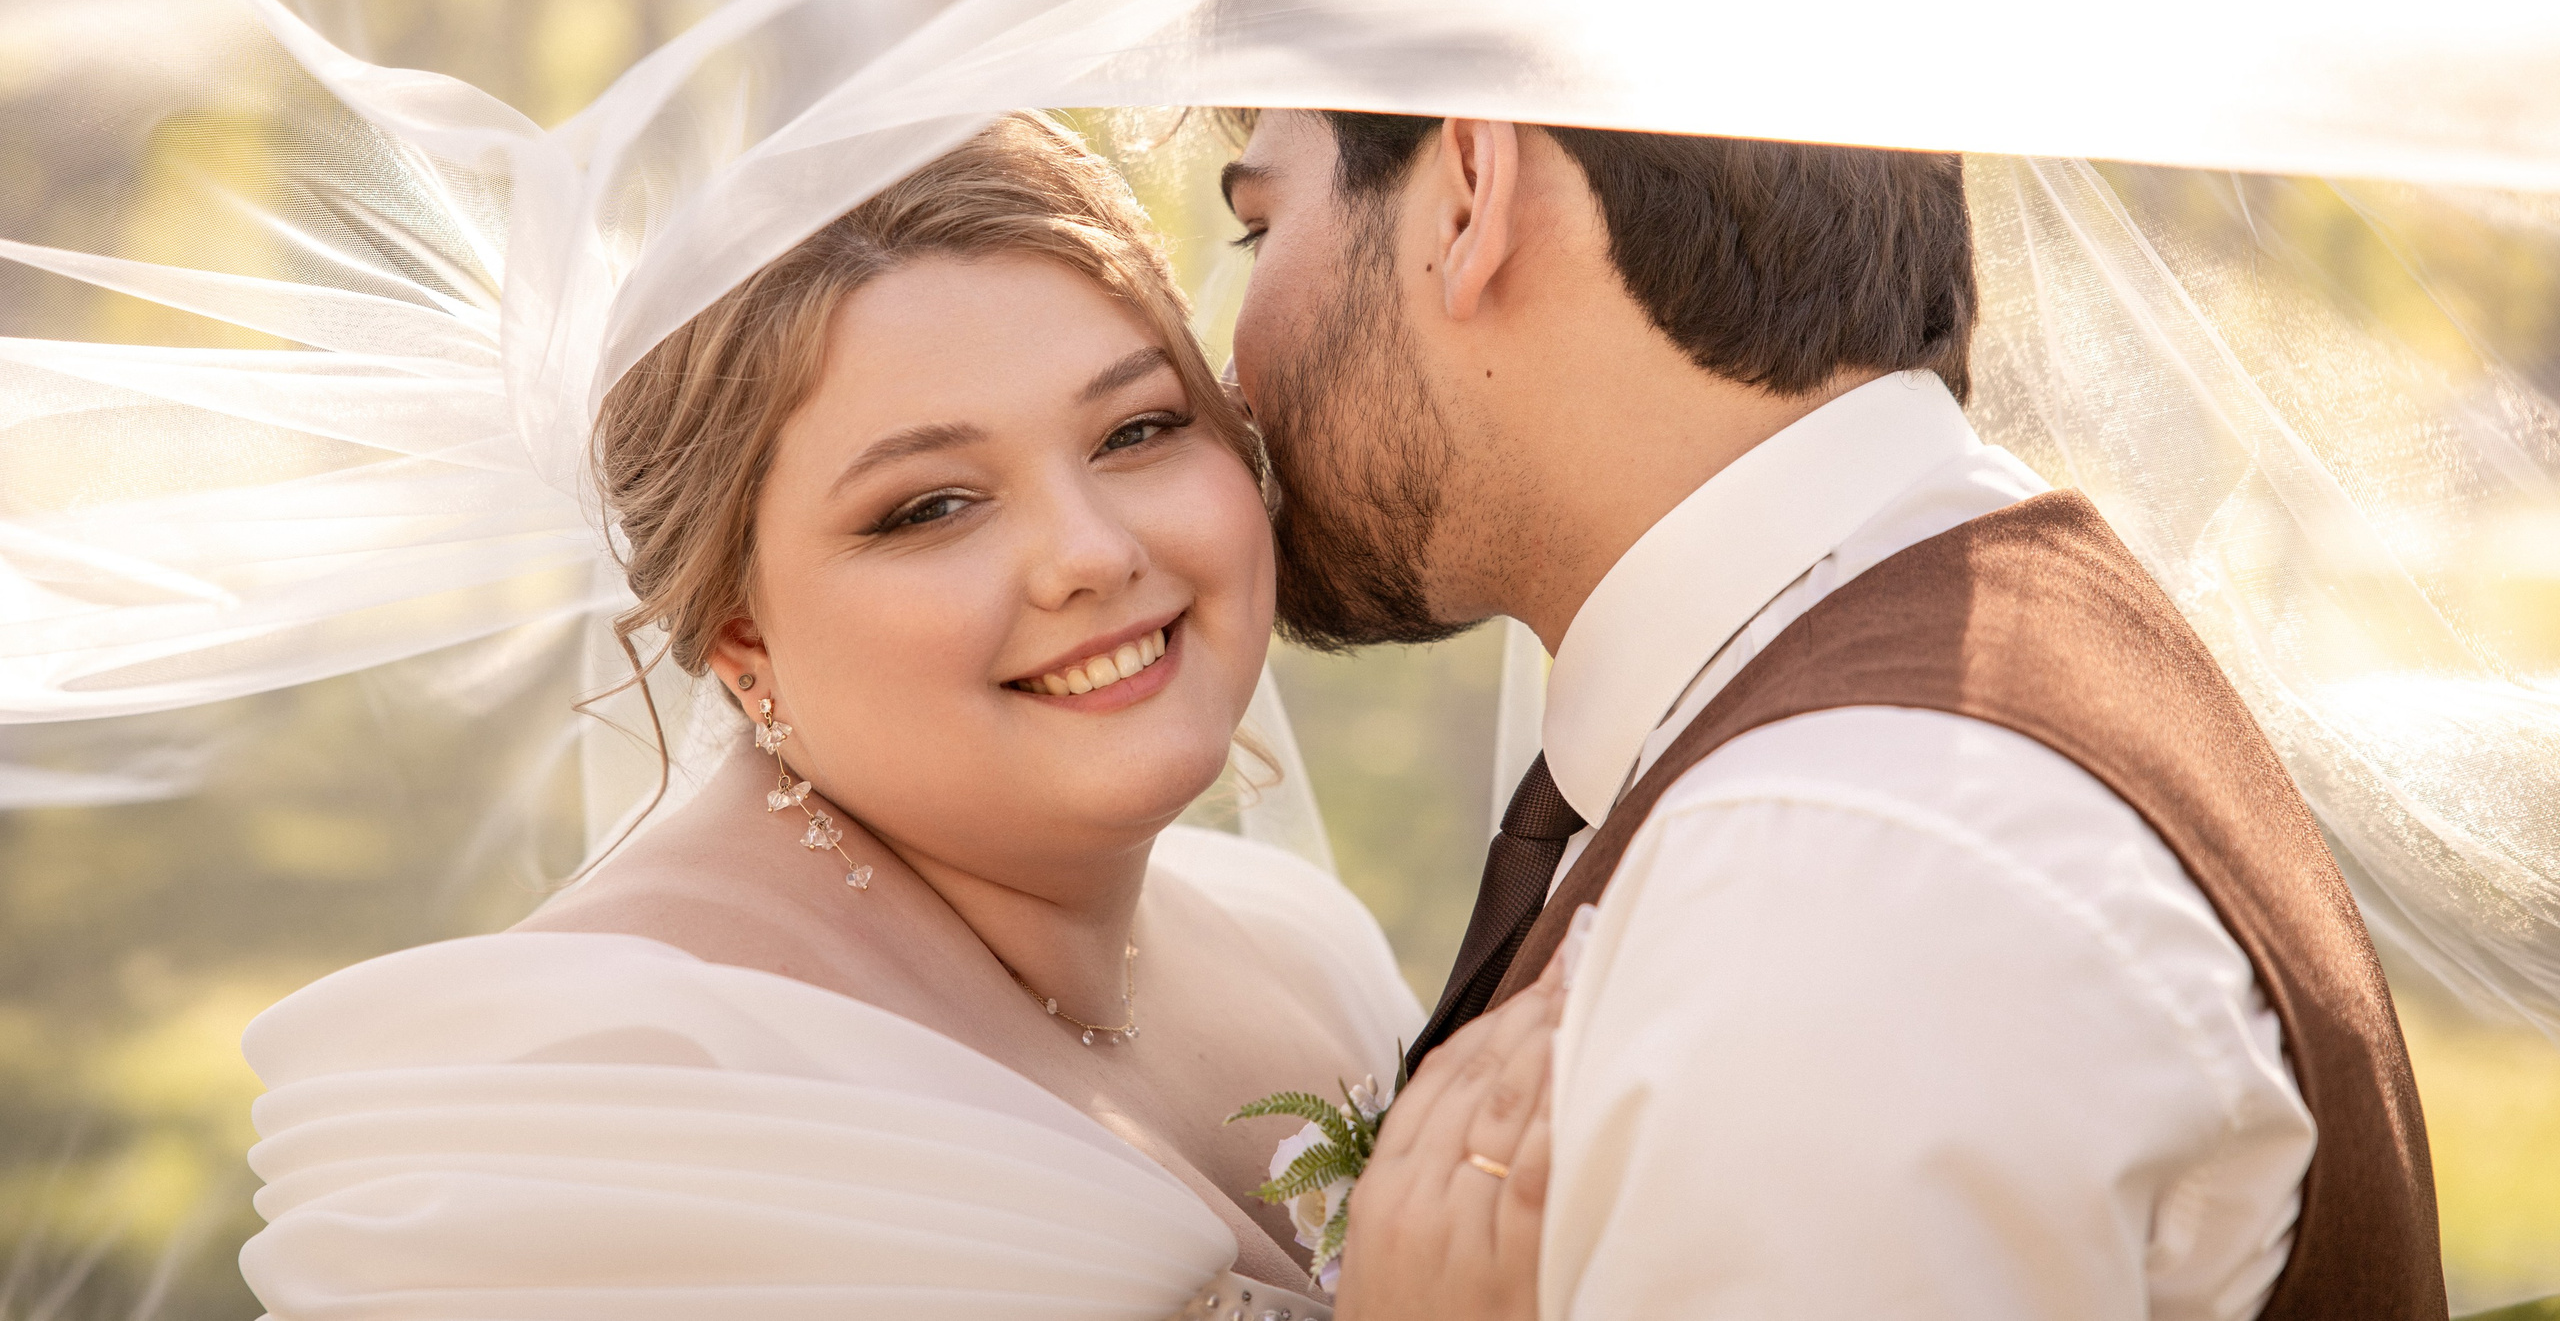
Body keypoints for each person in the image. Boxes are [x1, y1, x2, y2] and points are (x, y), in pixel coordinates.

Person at [237, 113, 1555, 1321]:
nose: (1087, 552)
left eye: (1138, 428)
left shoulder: (1300, 944)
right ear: (740, 633)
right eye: (930, 505)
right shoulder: (602, 1100)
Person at [1226, 111, 2445, 1320]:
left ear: (1466, 194)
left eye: (1257, 228)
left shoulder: (1834, 860)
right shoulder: (1937, 649)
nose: (1226, 375)